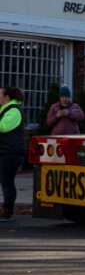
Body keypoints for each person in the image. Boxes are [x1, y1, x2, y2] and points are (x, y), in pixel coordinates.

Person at [0, 85, 27, 222]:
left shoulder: (14, 111)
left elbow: (3, 127)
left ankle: (8, 211)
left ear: (7, 97)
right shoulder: (5, 109)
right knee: (5, 181)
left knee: (7, 181)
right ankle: (7, 209)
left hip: (12, 152)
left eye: (0, 94)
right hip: (6, 151)